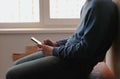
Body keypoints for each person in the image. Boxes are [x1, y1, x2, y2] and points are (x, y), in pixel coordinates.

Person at [6, 0, 118, 79]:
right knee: (17, 64)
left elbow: (86, 50)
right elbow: (77, 37)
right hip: (68, 55)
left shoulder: (99, 6)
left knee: (12, 74)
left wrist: (52, 51)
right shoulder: (90, 3)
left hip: (75, 64)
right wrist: (56, 44)